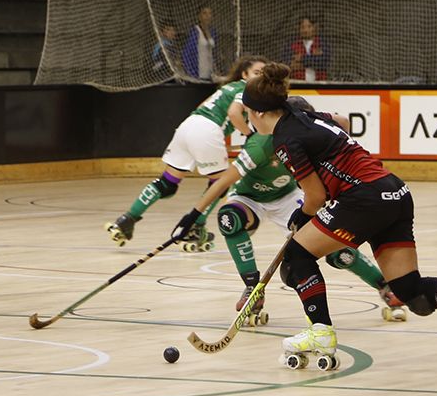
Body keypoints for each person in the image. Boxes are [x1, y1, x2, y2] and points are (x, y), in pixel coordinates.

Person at [175, 62, 437, 367]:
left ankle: (320, 333)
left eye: (247, 113)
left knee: (297, 259)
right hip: (395, 192)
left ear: (258, 113)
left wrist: (301, 219)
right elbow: (342, 122)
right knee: (409, 290)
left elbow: (315, 196)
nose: (247, 120)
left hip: (364, 199)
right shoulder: (303, 114)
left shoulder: (285, 138)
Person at [173, 97, 410, 328]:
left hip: (287, 197)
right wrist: (194, 216)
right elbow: (223, 182)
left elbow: (343, 121)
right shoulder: (262, 144)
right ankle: (252, 288)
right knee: (229, 219)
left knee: (335, 249)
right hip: (249, 197)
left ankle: (383, 285)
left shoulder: (308, 130)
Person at [105, 56, 265, 249]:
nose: (261, 77)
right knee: (220, 184)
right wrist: (249, 136)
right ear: (244, 74)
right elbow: (233, 113)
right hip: (207, 130)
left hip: (189, 125)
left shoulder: (226, 88)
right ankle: (196, 227)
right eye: (257, 73)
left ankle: (127, 219)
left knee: (167, 183)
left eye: (264, 74)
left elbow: (201, 108)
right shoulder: (246, 89)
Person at [286, 17, 331, 82]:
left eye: (309, 27)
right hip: (298, 83)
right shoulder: (292, 45)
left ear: (314, 28)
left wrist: (301, 58)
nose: (305, 30)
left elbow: (324, 63)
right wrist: (314, 59)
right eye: (302, 27)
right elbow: (288, 65)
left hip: (319, 84)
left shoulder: (322, 44)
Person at [184, 6, 218, 80]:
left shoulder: (213, 32)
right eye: (204, 13)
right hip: (199, 73)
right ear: (199, 16)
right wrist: (192, 73)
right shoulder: (195, 32)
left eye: (210, 13)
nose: (207, 16)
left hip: (210, 73)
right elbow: (186, 54)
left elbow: (214, 52)